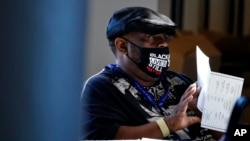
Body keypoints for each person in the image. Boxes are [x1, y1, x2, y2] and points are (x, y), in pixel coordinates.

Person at [81, 6, 222, 140]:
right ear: (122, 46)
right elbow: (102, 137)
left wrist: (208, 115)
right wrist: (168, 125)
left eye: (163, 37)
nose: (163, 44)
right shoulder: (102, 87)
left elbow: (234, 134)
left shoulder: (182, 82)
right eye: (151, 37)